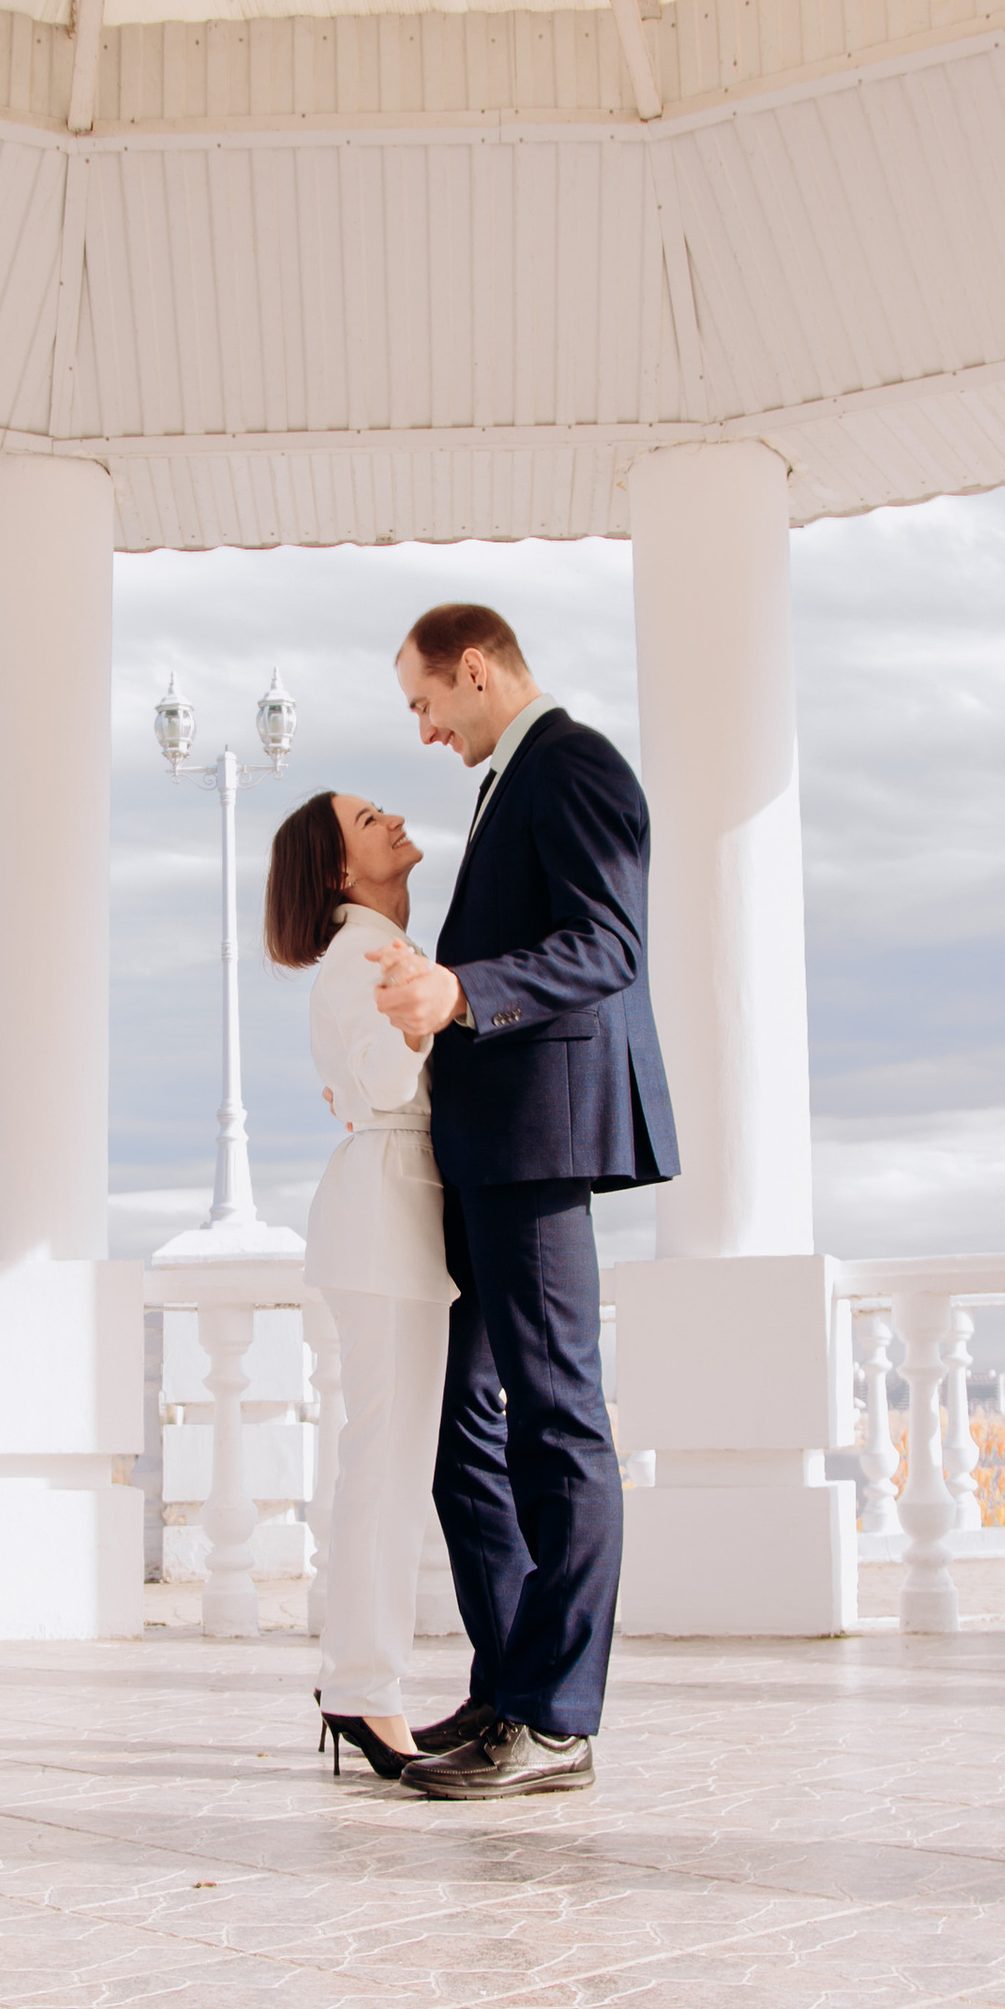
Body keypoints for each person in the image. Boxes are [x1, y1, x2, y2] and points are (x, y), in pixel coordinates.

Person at [372, 603, 675, 1798]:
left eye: (423, 701)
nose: (424, 728)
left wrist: (460, 991)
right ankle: (507, 1683)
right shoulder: (511, 778)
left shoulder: (574, 761)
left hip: (543, 1134)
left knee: (557, 1418)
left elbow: (608, 944)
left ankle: (556, 1719)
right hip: (488, 1144)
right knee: (464, 1425)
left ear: (476, 668)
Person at [262, 785, 453, 1784]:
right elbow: (383, 1084)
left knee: (390, 1466)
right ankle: (361, 1690)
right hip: (382, 1215)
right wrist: (424, 1006)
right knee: (382, 1469)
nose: (389, 818)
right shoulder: (365, 954)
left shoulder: (376, 949)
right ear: (339, 871)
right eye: (365, 819)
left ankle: (363, 1683)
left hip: (393, 1211)